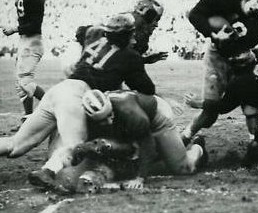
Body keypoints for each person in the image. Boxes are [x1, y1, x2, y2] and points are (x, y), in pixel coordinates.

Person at [0, 13, 155, 188]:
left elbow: (82, 31)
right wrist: (139, 64)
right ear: (128, 35)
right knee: (75, 144)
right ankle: (48, 170)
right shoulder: (130, 56)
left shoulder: (94, 35)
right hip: (75, 96)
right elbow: (147, 89)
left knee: (16, 145)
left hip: (59, 89)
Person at [53, 89, 207, 193]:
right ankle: (176, 144)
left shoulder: (131, 113)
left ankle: (196, 144)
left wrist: (140, 177)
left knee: (183, 168)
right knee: (103, 147)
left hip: (155, 117)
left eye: (109, 115)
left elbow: (148, 144)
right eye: (103, 120)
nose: (109, 120)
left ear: (110, 105)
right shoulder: (84, 119)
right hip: (128, 123)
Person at [181, 0, 258, 143]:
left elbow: (244, 49)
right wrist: (213, 34)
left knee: (250, 106)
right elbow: (195, 14)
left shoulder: (257, 28)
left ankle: (254, 143)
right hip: (217, 58)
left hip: (240, 62)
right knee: (210, 113)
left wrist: (232, 45)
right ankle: (185, 136)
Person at [2, 0, 46, 117]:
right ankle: (28, 117)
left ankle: (53, 104)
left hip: (33, 41)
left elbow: (34, 24)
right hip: (24, 41)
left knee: (25, 83)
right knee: (20, 85)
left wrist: (14, 29)